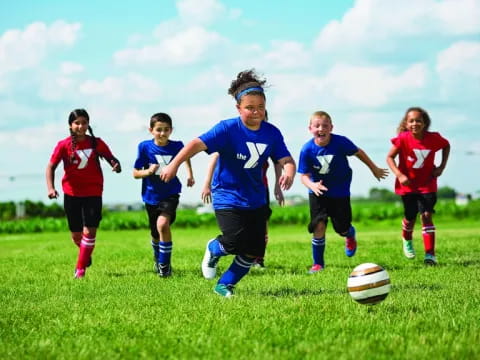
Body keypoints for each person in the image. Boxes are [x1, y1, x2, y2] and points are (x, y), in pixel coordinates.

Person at [160, 69, 296, 297]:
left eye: (260, 107)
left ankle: (225, 284)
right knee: (233, 242)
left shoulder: (272, 133)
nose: (255, 112)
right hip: (227, 194)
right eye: (249, 108)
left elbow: (285, 159)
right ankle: (214, 248)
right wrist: (174, 164)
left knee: (254, 249)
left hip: (255, 198)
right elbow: (196, 143)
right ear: (238, 108)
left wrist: (289, 171)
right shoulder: (227, 128)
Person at [298, 110, 388, 274]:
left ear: (331, 127)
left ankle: (349, 234)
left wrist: (374, 168)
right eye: (317, 126)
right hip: (318, 193)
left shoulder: (340, 143)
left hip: (340, 192)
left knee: (341, 228)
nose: (321, 129)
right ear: (310, 128)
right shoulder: (306, 150)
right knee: (319, 225)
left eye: (325, 126)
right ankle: (318, 264)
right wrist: (312, 186)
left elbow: (358, 152)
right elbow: (303, 176)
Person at [200, 112, 285, 269]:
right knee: (238, 237)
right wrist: (207, 184)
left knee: (261, 228)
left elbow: (279, 161)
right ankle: (217, 249)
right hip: (233, 191)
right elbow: (214, 158)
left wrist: (278, 186)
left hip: (259, 190)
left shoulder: (268, 136)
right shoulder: (233, 136)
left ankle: (258, 259)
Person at [46, 109, 122, 278]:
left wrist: (115, 165)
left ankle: (80, 270)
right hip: (71, 193)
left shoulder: (97, 143)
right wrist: (51, 188)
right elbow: (51, 167)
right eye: (77, 123)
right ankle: (85, 254)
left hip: (93, 192)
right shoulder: (63, 145)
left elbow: (112, 159)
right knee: (76, 235)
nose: (81, 126)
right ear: (70, 125)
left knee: (90, 232)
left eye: (84, 123)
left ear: (88, 124)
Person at [386, 107, 450, 265]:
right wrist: (400, 175)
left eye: (418, 120)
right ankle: (407, 239)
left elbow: (446, 145)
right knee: (410, 217)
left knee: (426, 215)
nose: (415, 123)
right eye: (411, 121)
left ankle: (430, 255)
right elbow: (389, 157)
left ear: (425, 123)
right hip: (408, 186)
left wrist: (441, 166)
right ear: (406, 124)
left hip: (428, 184)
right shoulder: (402, 138)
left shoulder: (434, 138)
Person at [133, 113, 194, 277]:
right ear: (151, 130)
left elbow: (185, 157)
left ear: (171, 130)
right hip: (151, 195)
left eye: (166, 129)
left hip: (171, 193)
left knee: (162, 225)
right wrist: (148, 171)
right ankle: (158, 258)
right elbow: (135, 173)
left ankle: (165, 268)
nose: (162, 133)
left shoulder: (177, 145)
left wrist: (189, 174)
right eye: (159, 130)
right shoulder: (144, 147)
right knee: (155, 234)